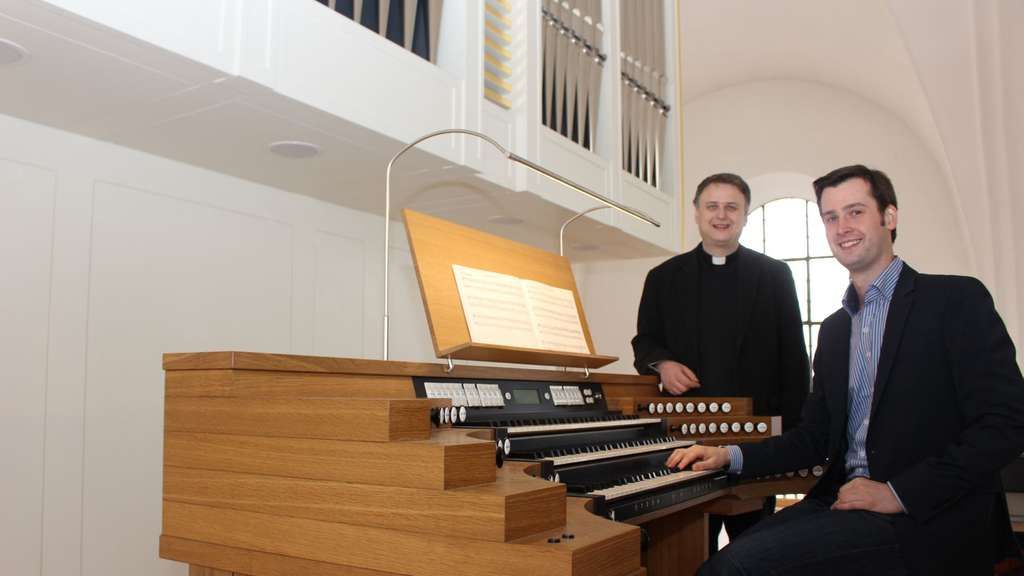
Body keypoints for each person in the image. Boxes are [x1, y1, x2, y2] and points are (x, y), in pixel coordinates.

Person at [668, 165, 1024, 575]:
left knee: (732, 570)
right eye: (830, 217)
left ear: (889, 216)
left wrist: (898, 493)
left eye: (855, 212)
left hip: (928, 516)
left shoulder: (954, 300)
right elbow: (813, 437)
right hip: (841, 500)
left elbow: (1007, 423)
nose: (842, 227)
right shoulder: (836, 330)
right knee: (718, 564)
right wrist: (727, 454)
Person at [632, 173, 810, 551]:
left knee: (754, 550)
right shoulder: (663, 277)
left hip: (756, 436)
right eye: (712, 206)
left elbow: (795, 360)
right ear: (696, 213)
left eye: (732, 207)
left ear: (745, 215)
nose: (721, 215)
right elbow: (644, 341)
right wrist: (662, 364)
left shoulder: (775, 276)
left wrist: (794, 440)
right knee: (688, 550)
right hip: (686, 433)